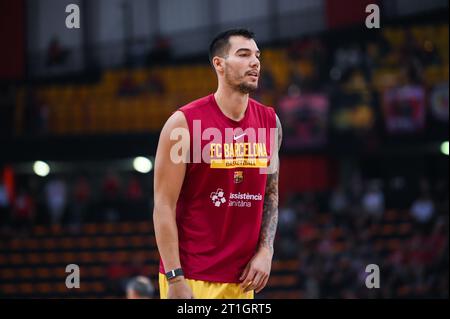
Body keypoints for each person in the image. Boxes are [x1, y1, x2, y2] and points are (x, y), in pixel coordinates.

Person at [153, 29, 282, 299]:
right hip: (191, 278)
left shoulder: (270, 122)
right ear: (219, 64)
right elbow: (164, 205)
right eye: (244, 54)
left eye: (257, 55)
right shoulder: (183, 124)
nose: (255, 62)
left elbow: (270, 193)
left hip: (242, 281)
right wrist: (175, 278)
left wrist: (266, 250)